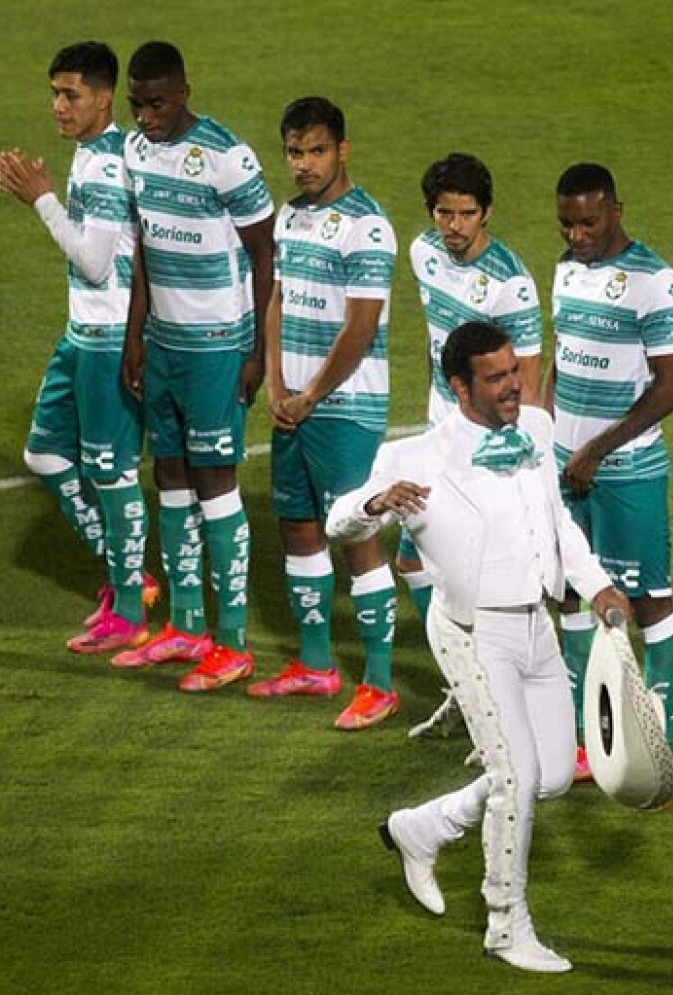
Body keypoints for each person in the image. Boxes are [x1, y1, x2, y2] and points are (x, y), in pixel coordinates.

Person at [326, 320, 632, 973]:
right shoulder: (415, 457)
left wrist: (598, 585)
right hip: (471, 632)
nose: (512, 387)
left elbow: (558, 523)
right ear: (458, 385)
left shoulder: (538, 431)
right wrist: (378, 502)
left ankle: (422, 828)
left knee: (547, 777)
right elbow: (338, 521)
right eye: (495, 379)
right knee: (516, 778)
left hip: (538, 628)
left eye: (513, 373)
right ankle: (505, 926)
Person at [112, 40, 274, 691]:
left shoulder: (227, 157)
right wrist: (135, 336)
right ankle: (185, 626)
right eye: (137, 104)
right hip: (164, 346)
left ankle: (231, 640)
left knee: (215, 483)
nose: (146, 115)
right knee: (170, 478)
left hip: (215, 348)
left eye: (156, 102)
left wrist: (257, 351)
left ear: (183, 91)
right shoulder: (133, 151)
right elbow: (145, 249)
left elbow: (266, 257)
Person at [0, 41, 157, 654]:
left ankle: (127, 611)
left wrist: (40, 196)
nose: (58, 107)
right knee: (45, 455)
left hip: (109, 336)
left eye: (71, 95)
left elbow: (93, 262)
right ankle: (127, 576)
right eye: (54, 94)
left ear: (104, 96)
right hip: (80, 335)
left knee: (111, 474)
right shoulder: (95, 152)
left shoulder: (106, 164)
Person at [248, 96, 399, 730]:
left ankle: (381, 683)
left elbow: (360, 329)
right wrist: (280, 386)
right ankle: (315, 666)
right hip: (296, 406)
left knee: (354, 537)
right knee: (300, 528)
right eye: (294, 152)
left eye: (315, 150)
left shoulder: (367, 227)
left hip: (346, 409)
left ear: (343, 149)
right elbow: (279, 299)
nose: (304, 164)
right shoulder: (290, 217)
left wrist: (310, 396)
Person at [550, 162, 673, 769]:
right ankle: (590, 740)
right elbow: (563, 357)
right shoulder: (565, 270)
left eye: (588, 221)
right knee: (573, 597)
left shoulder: (654, 280)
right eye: (566, 224)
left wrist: (596, 450)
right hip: (563, 464)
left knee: (648, 601)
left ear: (614, 208)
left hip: (625, 470)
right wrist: (545, 433)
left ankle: (657, 739)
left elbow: (672, 387)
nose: (577, 235)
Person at [398, 152, 543, 623]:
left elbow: (527, 382)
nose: (454, 226)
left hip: (485, 443)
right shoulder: (423, 252)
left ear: (486, 213)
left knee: (483, 574)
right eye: (445, 213)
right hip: (438, 431)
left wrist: (519, 457)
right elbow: (434, 339)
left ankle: (492, 673)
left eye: (466, 214)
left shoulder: (511, 283)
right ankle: (461, 672)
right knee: (413, 559)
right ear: (429, 211)